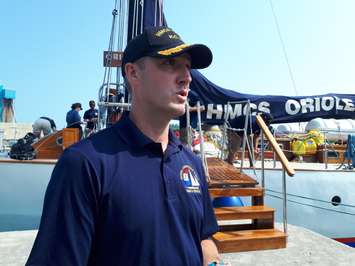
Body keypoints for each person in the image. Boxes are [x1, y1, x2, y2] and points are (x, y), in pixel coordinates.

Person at [26, 26, 221, 266]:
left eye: (188, 67)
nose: (187, 77)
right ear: (133, 73)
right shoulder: (85, 164)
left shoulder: (191, 162)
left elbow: (203, 238)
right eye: (170, 63)